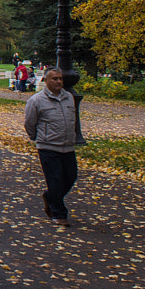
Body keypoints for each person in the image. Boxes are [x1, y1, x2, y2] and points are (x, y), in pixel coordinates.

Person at [24, 67, 84, 227]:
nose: (59, 82)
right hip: (48, 147)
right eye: (55, 79)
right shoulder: (36, 100)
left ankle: (50, 197)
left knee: (71, 177)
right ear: (46, 81)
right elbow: (30, 123)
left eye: (60, 79)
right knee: (55, 180)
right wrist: (37, 138)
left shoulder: (69, 97)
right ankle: (58, 213)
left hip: (68, 147)